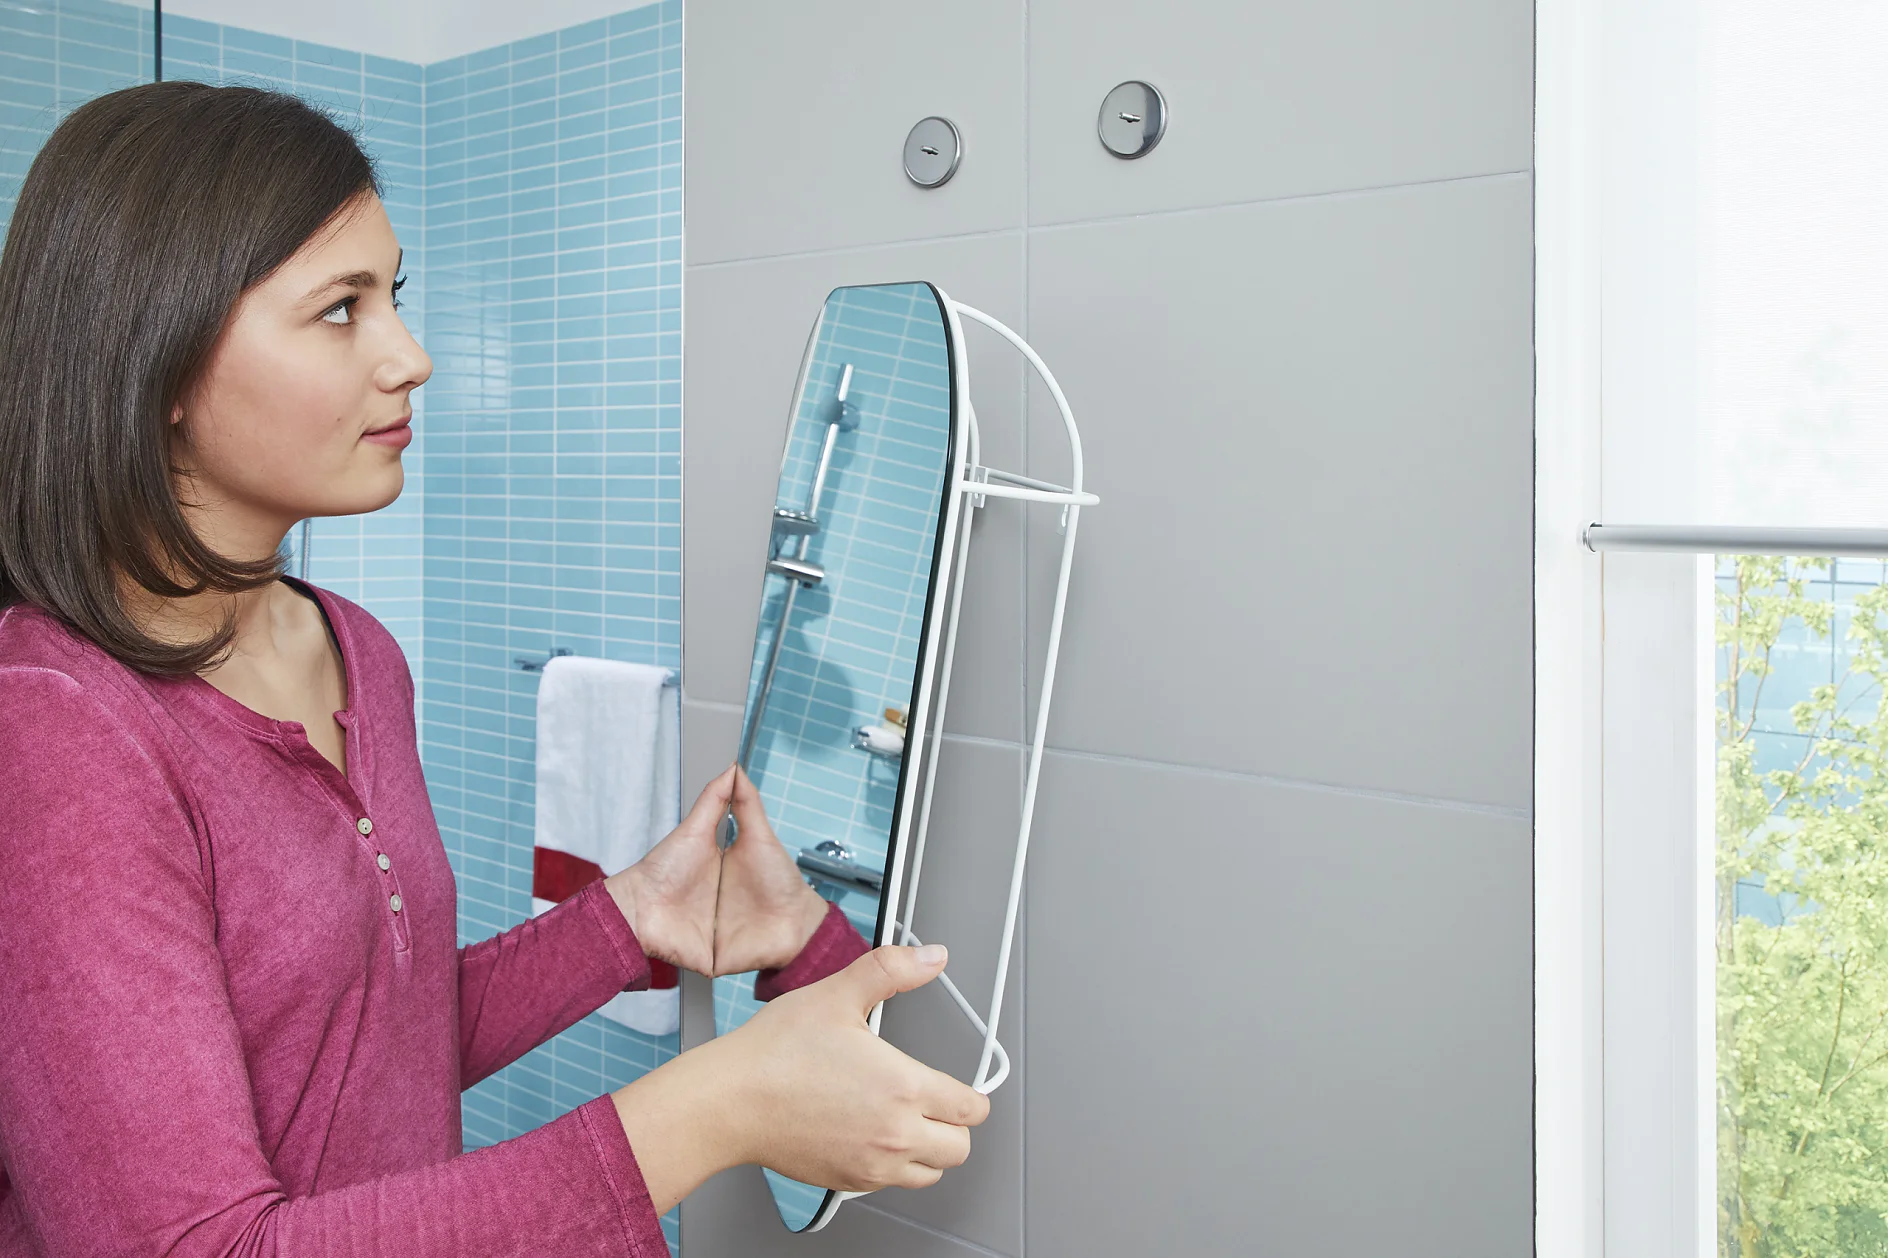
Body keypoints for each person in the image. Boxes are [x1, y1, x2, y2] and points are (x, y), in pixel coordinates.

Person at [0, 81, 988, 1257]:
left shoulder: (354, 650)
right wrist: (712, 1107)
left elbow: (375, 1043)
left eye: (394, 296)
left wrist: (633, 916)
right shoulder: (55, 730)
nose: (410, 356)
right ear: (156, 357)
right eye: (339, 311)